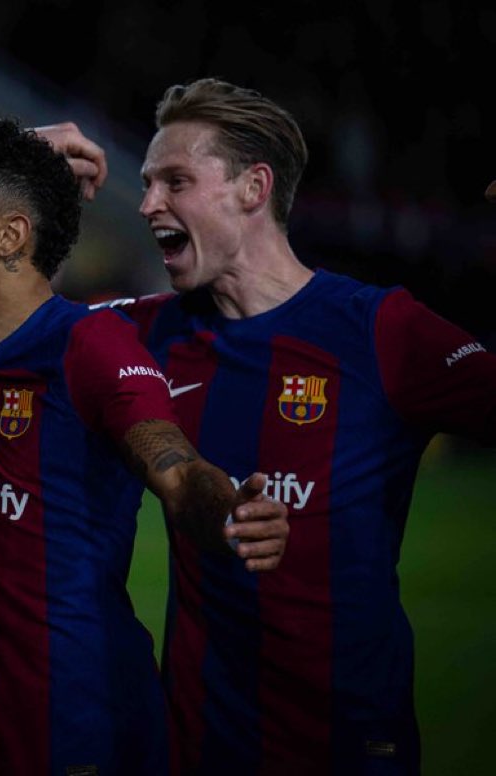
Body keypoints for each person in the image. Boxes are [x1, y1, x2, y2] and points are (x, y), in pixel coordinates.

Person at [115, 77, 496, 775]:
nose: (147, 205)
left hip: (352, 746)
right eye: (146, 183)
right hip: (197, 747)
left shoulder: (382, 329)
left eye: (175, 181)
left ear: (253, 188)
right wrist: (23, 158)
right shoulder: (141, 334)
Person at [0, 118, 290, 775]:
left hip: (83, 721)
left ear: (11, 236)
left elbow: (176, 469)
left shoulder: (88, 345)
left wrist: (229, 515)